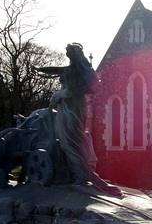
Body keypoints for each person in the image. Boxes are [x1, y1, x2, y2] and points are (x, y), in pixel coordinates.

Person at [36, 43, 122, 197]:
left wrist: (58, 95)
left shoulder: (76, 71)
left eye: (68, 52)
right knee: (72, 140)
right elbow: (58, 70)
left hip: (71, 109)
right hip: (68, 109)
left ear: (72, 54)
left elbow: (72, 90)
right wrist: (40, 69)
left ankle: (82, 174)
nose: (66, 54)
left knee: (71, 142)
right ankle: (78, 173)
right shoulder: (74, 69)